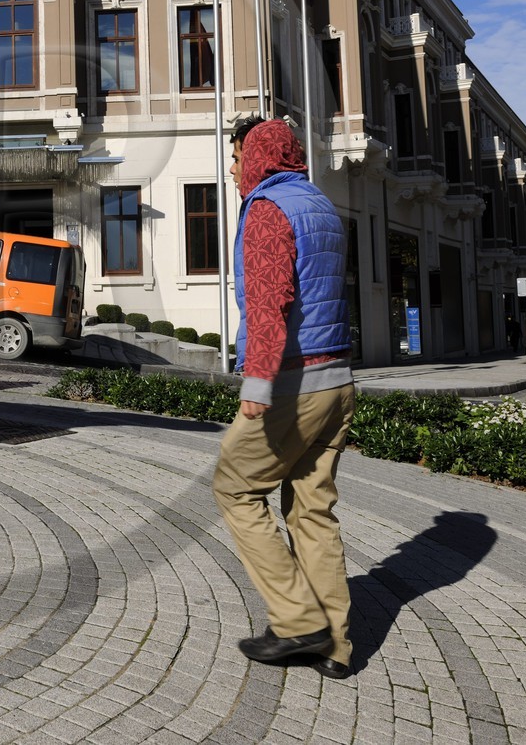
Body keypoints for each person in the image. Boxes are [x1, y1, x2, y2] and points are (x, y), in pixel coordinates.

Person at [213, 116, 357, 680]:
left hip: (292, 385)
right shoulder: (319, 203)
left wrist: (256, 382)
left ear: (258, 157)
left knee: (235, 487)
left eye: (237, 155)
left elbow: (271, 301)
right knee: (312, 509)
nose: (232, 168)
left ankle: (297, 622)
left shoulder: (268, 208)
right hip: (338, 379)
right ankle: (336, 646)